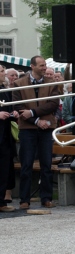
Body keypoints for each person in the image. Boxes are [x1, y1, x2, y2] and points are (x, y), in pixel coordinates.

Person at [11, 56, 61, 210]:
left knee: (46, 164)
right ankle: (24, 199)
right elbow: (18, 107)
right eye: (41, 65)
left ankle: (46, 198)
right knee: (26, 164)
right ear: (32, 66)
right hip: (28, 129)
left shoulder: (52, 84)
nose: (44, 68)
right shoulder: (18, 84)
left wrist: (32, 112)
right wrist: (36, 120)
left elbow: (53, 104)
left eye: (45, 65)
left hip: (46, 128)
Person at [0, 76, 17, 212]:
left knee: (4, 170)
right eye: (1, 71)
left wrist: (13, 113)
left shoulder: (4, 91)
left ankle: (1, 202)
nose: (3, 74)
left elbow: (9, 107)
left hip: (5, 137)